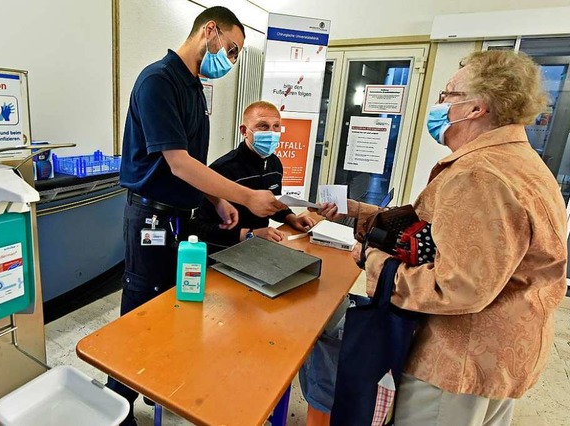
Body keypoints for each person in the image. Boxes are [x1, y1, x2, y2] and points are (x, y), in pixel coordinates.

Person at [315, 50, 567, 425]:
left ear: (476, 108)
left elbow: (458, 286)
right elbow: (435, 230)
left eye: (447, 95)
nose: (439, 105)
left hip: (458, 361)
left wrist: (374, 262)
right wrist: (360, 212)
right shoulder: (519, 162)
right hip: (499, 355)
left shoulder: (481, 176)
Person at [109, 7, 286, 425]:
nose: (231, 59)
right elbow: (178, 164)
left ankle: (158, 387)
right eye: (232, 48)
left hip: (181, 217)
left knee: (176, 305)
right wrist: (245, 196)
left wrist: (217, 200)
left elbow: (195, 165)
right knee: (141, 312)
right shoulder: (158, 81)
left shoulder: (194, 88)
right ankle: (116, 406)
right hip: (151, 219)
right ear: (210, 30)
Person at [193, 100, 316, 252]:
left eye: (276, 126)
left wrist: (291, 217)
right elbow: (200, 228)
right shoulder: (221, 170)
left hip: (257, 250)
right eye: (263, 126)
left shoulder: (275, 164)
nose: (271, 133)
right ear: (244, 131)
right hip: (222, 254)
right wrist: (249, 235)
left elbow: (274, 204)